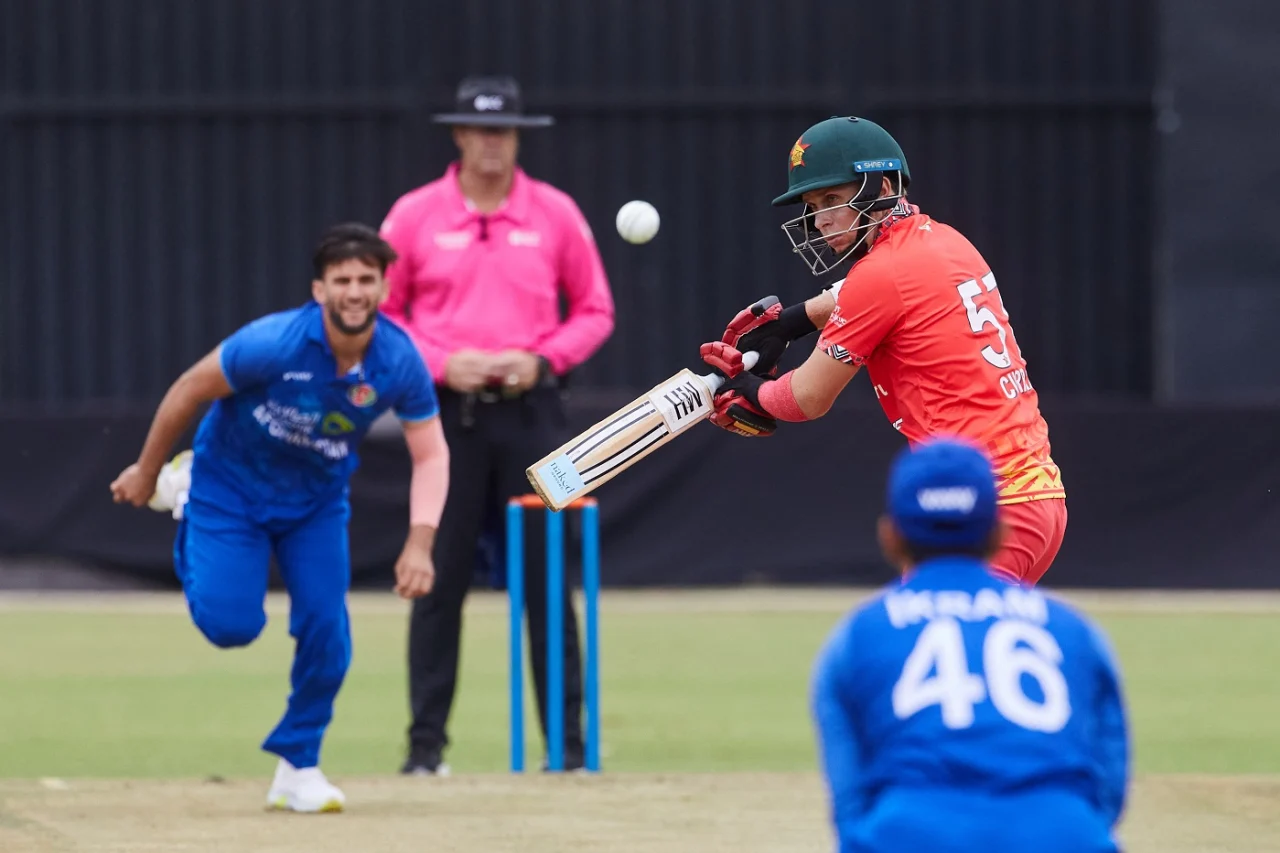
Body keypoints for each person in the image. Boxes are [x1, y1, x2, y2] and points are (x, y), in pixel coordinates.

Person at [109, 223, 449, 812]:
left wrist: (419, 544)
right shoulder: (272, 343)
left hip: (315, 505)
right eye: (342, 280)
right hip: (228, 490)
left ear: (384, 289)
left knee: (327, 628)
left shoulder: (398, 360)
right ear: (319, 290)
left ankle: (299, 764)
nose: (354, 291)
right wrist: (146, 470)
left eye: (366, 279)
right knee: (230, 626)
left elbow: (432, 453)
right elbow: (190, 388)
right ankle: (182, 491)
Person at [700, 115, 1066, 585]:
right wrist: (790, 323)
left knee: (942, 651)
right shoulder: (946, 241)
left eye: (833, 198)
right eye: (813, 204)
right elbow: (862, 291)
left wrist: (749, 388)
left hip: (984, 506)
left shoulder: (881, 274)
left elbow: (807, 398)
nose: (821, 218)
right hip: (1034, 497)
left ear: (884, 186)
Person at [378, 75, 615, 774]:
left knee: (546, 581)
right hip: (445, 415)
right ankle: (425, 750)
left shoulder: (555, 213)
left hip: (535, 415)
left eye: (503, 131)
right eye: (479, 129)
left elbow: (596, 311)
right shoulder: (416, 214)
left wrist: (541, 360)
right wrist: (444, 362)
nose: (491, 142)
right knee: (438, 577)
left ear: (517, 136)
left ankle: (567, 750)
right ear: (458, 134)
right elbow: (385, 316)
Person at [810, 437, 1129, 852]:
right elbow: (1108, 788)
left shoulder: (857, 637)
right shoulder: (1073, 630)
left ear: (891, 536)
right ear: (999, 532)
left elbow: (850, 803)